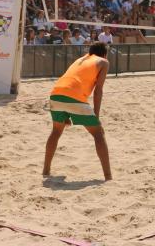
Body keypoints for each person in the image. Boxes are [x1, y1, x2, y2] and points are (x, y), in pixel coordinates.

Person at [43, 42, 112, 180]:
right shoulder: (103, 62)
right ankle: (108, 176)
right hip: (74, 97)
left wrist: (66, 114)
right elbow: (98, 91)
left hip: (56, 94)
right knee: (98, 133)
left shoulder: (80, 60)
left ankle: (45, 170)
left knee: (56, 131)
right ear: (104, 54)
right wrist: (96, 116)